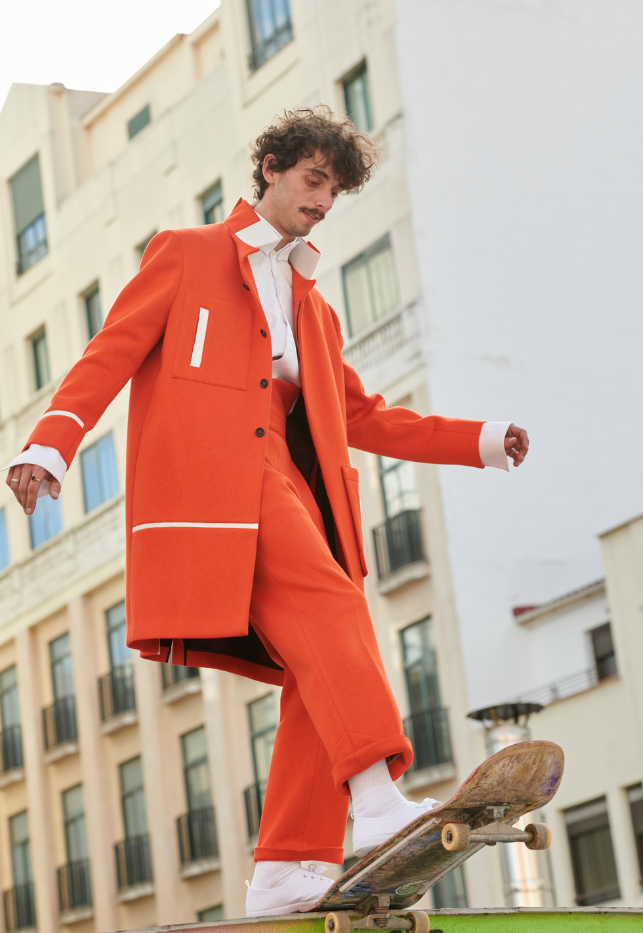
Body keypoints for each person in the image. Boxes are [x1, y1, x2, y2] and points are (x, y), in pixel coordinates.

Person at [4, 106, 528, 917]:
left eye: (335, 190)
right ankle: (380, 798)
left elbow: (363, 415)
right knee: (332, 611)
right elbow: (112, 349)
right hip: (217, 490)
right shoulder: (187, 255)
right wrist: (50, 444)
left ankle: (287, 863)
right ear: (272, 169)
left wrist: (482, 439)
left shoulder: (316, 310)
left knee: (317, 665)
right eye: (314, 180)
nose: (323, 200)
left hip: (290, 488)